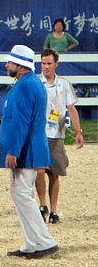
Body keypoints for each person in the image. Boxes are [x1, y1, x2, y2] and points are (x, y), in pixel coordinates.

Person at [0, 45, 58, 259]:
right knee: (21, 194)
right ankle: (31, 243)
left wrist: (13, 150)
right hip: (31, 149)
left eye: (10, 62)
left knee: (22, 194)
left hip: (25, 152)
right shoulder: (32, 83)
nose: (6, 65)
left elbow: (21, 122)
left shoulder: (25, 86)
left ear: (20, 65)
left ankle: (43, 241)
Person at [35, 49, 84, 224]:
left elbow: (72, 108)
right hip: (38, 133)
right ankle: (42, 205)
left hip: (56, 134)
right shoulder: (35, 82)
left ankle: (54, 210)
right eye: (43, 63)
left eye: (49, 63)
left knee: (54, 174)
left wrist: (78, 131)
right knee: (39, 170)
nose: (46, 66)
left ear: (56, 64)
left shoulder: (63, 84)